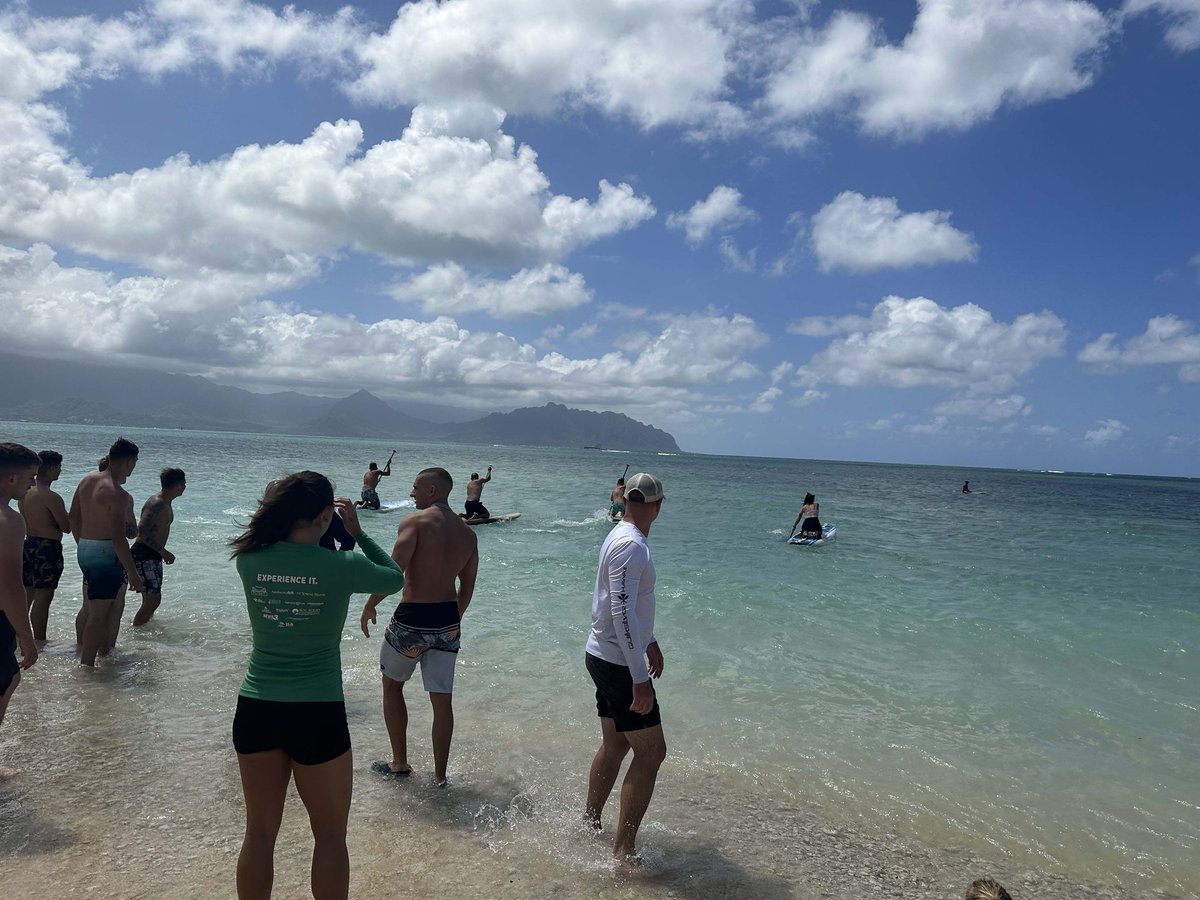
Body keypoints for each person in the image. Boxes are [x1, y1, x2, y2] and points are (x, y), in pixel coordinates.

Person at [230, 472, 404, 900]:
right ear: (328, 515)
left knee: (259, 835)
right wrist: (359, 534)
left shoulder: (249, 560)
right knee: (329, 837)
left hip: (256, 707)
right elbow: (394, 576)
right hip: (317, 711)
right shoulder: (342, 566)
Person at [361, 467, 478, 787]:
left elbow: (393, 573)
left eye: (415, 488)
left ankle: (399, 763)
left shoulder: (414, 522)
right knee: (442, 701)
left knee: (392, 686)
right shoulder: (468, 533)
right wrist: (453, 621)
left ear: (431, 491)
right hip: (447, 620)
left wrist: (371, 603)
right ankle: (440, 777)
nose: (411, 493)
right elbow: (466, 586)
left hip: (412, 618)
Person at [584, 472, 668, 862]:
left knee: (617, 743)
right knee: (651, 754)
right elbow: (620, 611)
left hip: (605, 653)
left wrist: (648, 639)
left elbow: (621, 604)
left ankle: (589, 823)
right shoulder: (632, 545)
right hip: (617, 662)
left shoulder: (620, 535)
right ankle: (623, 852)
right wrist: (639, 678)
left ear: (626, 500)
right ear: (657, 505)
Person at [69, 437, 144, 666]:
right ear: (129, 462)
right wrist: (132, 572)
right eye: (135, 463)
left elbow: (72, 517)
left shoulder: (87, 480)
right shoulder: (118, 495)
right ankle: (87, 665)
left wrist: (82, 542)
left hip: (85, 548)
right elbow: (118, 538)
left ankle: (83, 653)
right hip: (105, 554)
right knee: (99, 613)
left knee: (91, 606)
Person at [1, 443, 40, 767]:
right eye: (30, 477)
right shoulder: (9, 520)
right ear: (11, 479)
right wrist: (25, 637)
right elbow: (10, 587)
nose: (32, 483)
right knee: (7, 680)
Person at [19, 450, 71, 641]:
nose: (60, 471)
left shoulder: (24, 492)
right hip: (47, 547)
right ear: (50, 468)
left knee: (27, 595)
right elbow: (66, 528)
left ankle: (18, 636)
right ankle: (40, 640)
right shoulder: (50, 496)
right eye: (58, 467)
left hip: (28, 543)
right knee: (44, 598)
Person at [130, 467, 187, 627]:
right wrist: (163, 551)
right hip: (144, 554)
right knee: (154, 600)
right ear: (177, 485)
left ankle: (145, 630)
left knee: (150, 599)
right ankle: (137, 631)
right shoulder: (157, 503)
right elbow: (140, 532)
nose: (185, 486)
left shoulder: (165, 502)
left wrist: (160, 553)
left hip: (151, 554)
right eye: (184, 483)